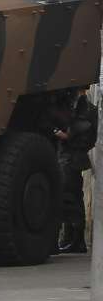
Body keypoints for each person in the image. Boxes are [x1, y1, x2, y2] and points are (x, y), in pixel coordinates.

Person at [54, 86, 97, 254]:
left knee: (71, 197)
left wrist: (60, 133)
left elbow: (78, 130)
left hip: (72, 156)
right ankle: (70, 238)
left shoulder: (83, 107)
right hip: (69, 155)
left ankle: (77, 240)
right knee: (69, 196)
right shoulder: (78, 105)